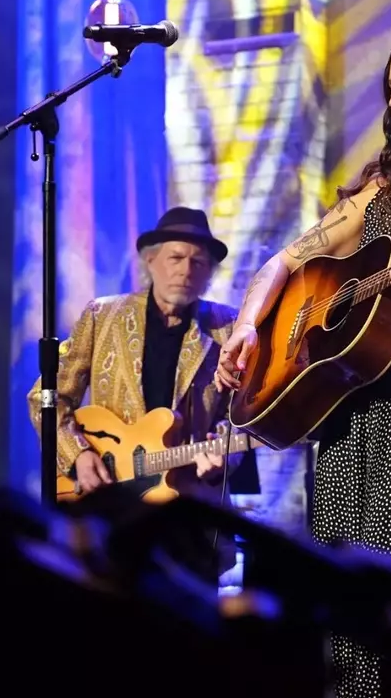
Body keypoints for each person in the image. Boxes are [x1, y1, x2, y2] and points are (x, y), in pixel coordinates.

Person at [215, 29, 391, 698]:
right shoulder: (380, 187)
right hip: (344, 406)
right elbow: (285, 261)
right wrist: (250, 326)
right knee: (337, 562)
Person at [27, 206, 245, 576]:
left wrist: (222, 461)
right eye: (175, 257)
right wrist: (77, 455)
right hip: (108, 508)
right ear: (151, 261)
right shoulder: (102, 315)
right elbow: (46, 397)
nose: (185, 270)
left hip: (187, 515)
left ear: (209, 273)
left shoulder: (228, 328)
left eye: (198, 262)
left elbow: (244, 416)